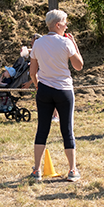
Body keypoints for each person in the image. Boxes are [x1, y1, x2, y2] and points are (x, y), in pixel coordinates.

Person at [29, 9, 84, 182]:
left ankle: (37, 170)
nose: (67, 26)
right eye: (65, 22)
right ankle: (72, 170)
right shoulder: (65, 43)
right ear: (58, 25)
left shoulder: (38, 43)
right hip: (64, 90)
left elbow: (32, 72)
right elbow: (79, 66)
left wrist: (39, 86)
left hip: (44, 89)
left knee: (42, 130)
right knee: (67, 129)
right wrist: (74, 45)